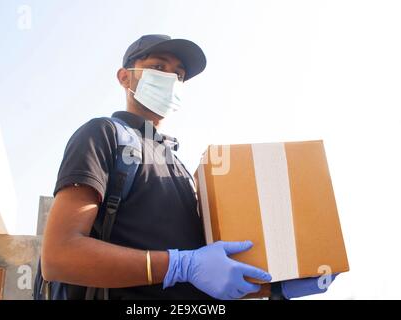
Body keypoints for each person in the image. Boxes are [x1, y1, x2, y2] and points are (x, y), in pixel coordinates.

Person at [41, 34, 335, 300]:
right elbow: (59, 256)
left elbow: (205, 277)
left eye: (178, 74)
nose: (169, 79)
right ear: (125, 78)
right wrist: (180, 264)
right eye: (158, 66)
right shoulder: (104, 134)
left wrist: (275, 288)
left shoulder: (184, 171)